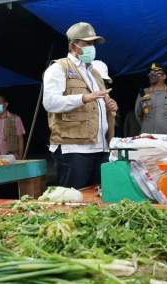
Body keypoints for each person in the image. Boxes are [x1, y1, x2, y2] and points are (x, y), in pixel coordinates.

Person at [43, 22, 118, 189]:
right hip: (74, 149)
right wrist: (83, 98)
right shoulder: (59, 68)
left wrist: (109, 106)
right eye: (87, 43)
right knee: (73, 202)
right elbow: (49, 103)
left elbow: (97, 103)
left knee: (97, 202)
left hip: (100, 147)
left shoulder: (94, 73)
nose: (92, 47)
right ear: (73, 45)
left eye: (93, 44)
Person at [134, 63, 167, 136]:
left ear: (164, 76)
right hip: (148, 136)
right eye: (151, 73)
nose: (153, 74)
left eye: (157, 73)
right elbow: (138, 115)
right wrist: (147, 127)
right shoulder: (143, 93)